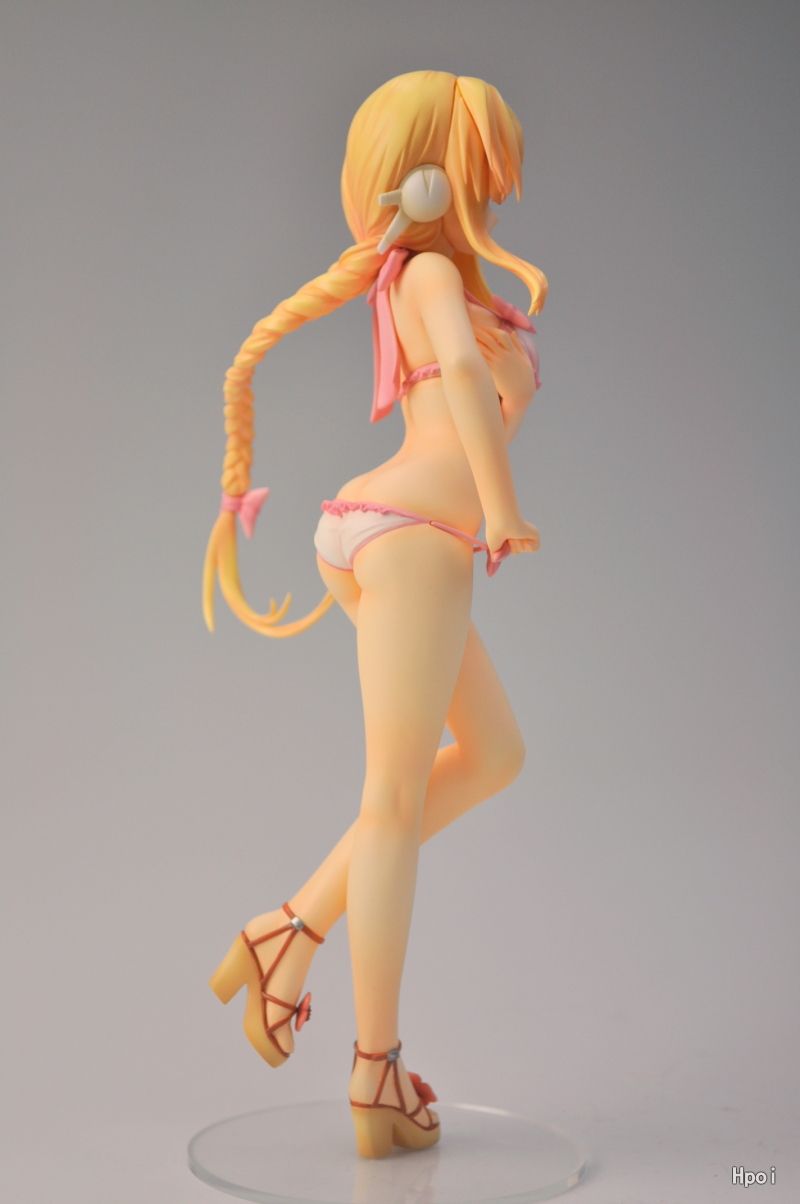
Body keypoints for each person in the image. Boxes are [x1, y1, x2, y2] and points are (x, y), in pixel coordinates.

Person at [203, 69, 549, 1159]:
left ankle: (290, 928)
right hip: (415, 537)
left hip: (389, 532)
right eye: (478, 167)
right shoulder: (429, 277)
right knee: (394, 801)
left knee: (492, 753)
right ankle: (374, 1070)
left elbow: (461, 375)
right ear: (434, 178)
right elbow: (462, 378)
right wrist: (502, 508)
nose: (493, 190)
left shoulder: (432, 279)